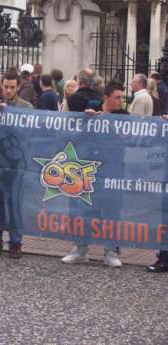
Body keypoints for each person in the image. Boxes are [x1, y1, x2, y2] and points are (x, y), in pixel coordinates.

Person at [61, 82, 128, 268]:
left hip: (114, 169)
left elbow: (126, 138)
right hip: (91, 169)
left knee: (112, 211)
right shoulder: (91, 110)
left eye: (123, 97)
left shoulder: (124, 115)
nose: (121, 101)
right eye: (118, 97)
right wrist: (88, 121)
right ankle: (80, 250)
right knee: (86, 210)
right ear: (106, 98)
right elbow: (75, 137)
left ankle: (111, 251)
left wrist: (107, 121)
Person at [0, 69, 33, 259]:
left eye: (12, 87)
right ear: (2, 86)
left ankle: (16, 242)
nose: (9, 90)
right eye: (6, 87)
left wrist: (10, 116)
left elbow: (28, 134)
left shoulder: (26, 108)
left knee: (14, 204)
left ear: (18, 87)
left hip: (17, 165)